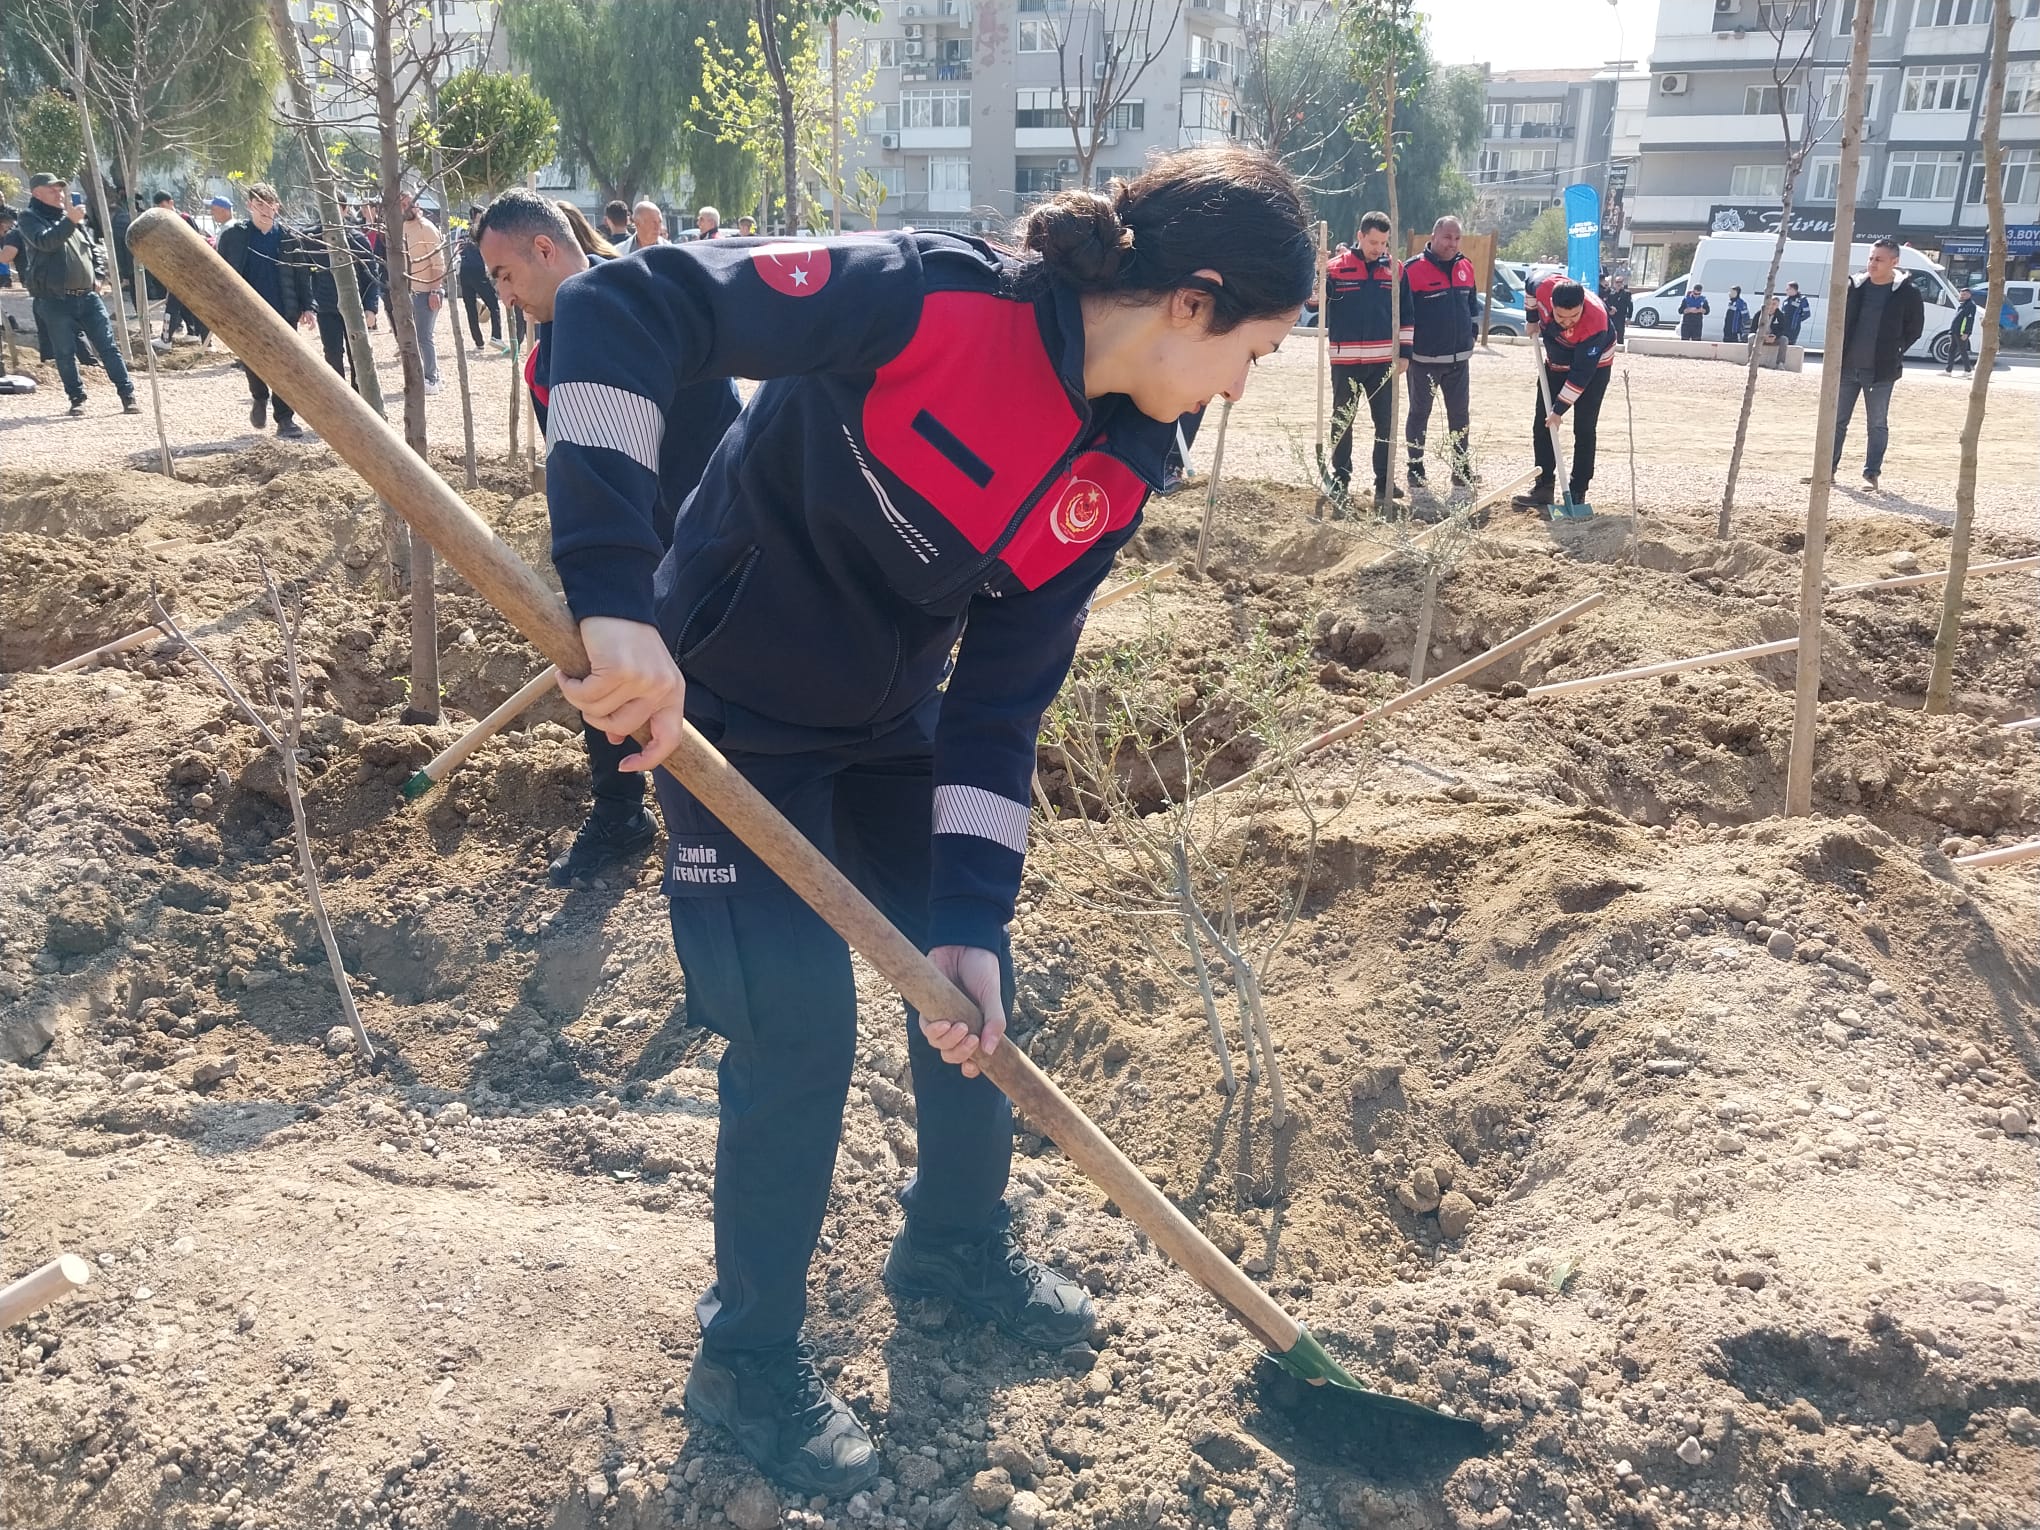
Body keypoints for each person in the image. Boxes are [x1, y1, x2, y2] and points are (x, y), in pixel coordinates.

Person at [532, 144, 1310, 1496]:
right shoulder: (929, 302)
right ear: (1192, 299)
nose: (1245, 384)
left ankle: (952, 1245)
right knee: (797, 1033)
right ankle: (748, 1363)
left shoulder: (1127, 459)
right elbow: (627, 304)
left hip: (892, 724)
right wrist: (611, 593)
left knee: (973, 1006)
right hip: (725, 721)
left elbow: (1000, 707)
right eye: (1255, 346)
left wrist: (968, 918)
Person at [476, 189, 743, 884]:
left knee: (720, 686)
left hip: (703, 528)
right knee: (602, 670)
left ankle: (731, 829)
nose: (503, 295)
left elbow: (721, 427)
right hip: (627, 535)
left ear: (544, 247)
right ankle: (621, 812)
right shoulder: (555, 335)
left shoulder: (644, 300)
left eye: (504, 274)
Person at [20, 172, 139, 420]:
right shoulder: (30, 218)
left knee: (108, 347)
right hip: (55, 300)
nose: (59, 194)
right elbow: (45, 242)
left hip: (87, 297)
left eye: (60, 189)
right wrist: (70, 221)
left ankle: (128, 395)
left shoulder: (71, 218)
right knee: (64, 352)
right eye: (52, 190)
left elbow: (92, 249)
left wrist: (97, 275)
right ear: (36, 193)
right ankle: (77, 399)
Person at [217, 183, 315, 437]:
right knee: (253, 360)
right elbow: (221, 274)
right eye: (258, 204)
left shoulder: (289, 238)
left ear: (276, 206)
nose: (263, 209)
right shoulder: (234, 237)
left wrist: (307, 307)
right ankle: (259, 397)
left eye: (268, 204)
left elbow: (301, 274)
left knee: (286, 365)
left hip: (284, 310)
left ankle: (285, 419)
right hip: (247, 314)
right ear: (249, 205)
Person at [1321, 210, 1404, 510]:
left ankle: (1384, 480)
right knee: (1343, 421)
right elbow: (1314, 302)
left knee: (1386, 423)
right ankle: (1341, 478)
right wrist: (1317, 275)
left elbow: (1405, 314)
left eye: (1383, 243)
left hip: (1383, 363)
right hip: (1345, 362)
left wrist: (1404, 353)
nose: (1378, 249)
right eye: (1372, 242)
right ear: (1359, 236)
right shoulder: (1335, 269)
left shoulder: (1395, 270)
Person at [1830, 235, 1923, 491]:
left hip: (1881, 372)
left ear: (1894, 261)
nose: (1872, 263)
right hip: (1847, 368)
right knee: (1836, 421)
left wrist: (1894, 350)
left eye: (1879, 259)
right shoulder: (1855, 287)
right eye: (1871, 258)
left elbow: (1914, 329)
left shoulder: (1907, 293)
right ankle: (1828, 470)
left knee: (1877, 424)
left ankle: (1871, 473)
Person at [1514, 275, 1614, 513]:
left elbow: (1581, 375)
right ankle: (1544, 487)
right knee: (1543, 423)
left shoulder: (1595, 322)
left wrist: (1559, 410)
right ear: (1551, 304)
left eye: (1574, 316)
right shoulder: (1543, 286)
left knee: (1585, 427)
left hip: (1594, 367)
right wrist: (1532, 319)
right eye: (1561, 316)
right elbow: (1529, 285)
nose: (1568, 322)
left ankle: (1578, 490)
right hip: (1555, 362)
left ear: (1582, 307)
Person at [1398, 214, 1480, 497]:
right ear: (1433, 237)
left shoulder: (1466, 266)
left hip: (1459, 360)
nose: (1452, 244)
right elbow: (1403, 315)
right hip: (1424, 361)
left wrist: (1471, 333)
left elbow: (1471, 304)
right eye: (1447, 237)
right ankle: (1415, 467)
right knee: (1420, 414)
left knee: (1460, 416)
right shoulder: (1412, 270)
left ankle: (1460, 469)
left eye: (1457, 239)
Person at [304, 195, 380, 383]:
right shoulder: (310, 239)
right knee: (332, 355)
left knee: (359, 357)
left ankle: (360, 397)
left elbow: (371, 275)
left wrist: (371, 307)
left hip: (355, 309)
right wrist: (308, 305)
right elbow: (303, 273)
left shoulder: (357, 239)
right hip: (327, 308)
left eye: (336, 208)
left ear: (345, 210)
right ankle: (338, 399)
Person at [399, 192, 447, 392]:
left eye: (410, 203)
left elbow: (438, 263)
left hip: (427, 291)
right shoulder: (400, 228)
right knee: (415, 336)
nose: (407, 207)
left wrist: (435, 291)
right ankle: (429, 373)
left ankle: (432, 378)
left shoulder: (426, 228)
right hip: (409, 291)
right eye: (402, 205)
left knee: (425, 337)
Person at [457, 207, 509, 355]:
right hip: (478, 271)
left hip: (464, 271)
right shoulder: (481, 230)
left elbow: (458, 249)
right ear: (477, 216)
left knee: (470, 309)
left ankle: (478, 342)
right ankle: (496, 336)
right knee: (494, 304)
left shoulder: (462, 230)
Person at [1946, 288, 1977, 376]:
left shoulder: (1971, 305)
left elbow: (1969, 320)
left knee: (1962, 351)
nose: (1962, 296)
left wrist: (1966, 332)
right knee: (1951, 350)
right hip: (1955, 331)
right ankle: (1948, 370)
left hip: (1961, 332)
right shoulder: (1963, 304)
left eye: (1964, 294)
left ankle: (1967, 371)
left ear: (1969, 295)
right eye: (1961, 294)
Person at [1601, 272, 1632, 348]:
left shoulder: (1626, 293)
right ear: (1614, 283)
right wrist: (1609, 310)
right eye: (1617, 282)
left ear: (1623, 283)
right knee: (1609, 333)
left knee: (1620, 333)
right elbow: (1606, 302)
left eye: (1620, 282)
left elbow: (1630, 306)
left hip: (1621, 317)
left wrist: (1629, 317)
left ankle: (1620, 347)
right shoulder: (1610, 293)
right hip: (1611, 316)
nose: (1618, 284)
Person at [1764, 294, 1792, 369]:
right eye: (1771, 303)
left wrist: (1775, 336)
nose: (1772, 306)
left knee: (1784, 339)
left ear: (1777, 306)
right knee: (1751, 337)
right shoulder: (1760, 313)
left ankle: (1780, 363)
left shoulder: (1780, 316)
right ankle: (1751, 360)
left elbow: (1783, 330)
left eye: (1774, 304)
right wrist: (1763, 336)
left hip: (1774, 338)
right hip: (1761, 337)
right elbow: (1753, 328)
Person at [1781, 281, 1809, 348]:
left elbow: (1807, 314)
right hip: (1784, 327)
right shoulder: (1786, 301)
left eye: (1788, 289)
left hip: (1793, 328)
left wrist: (1798, 320)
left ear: (1793, 289)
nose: (1786, 291)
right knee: (1782, 344)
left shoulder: (1802, 300)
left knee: (1790, 346)